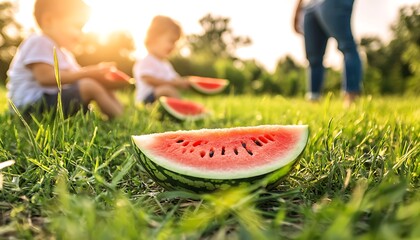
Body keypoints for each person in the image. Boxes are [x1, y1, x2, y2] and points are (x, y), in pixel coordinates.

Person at [7, 0, 129, 119]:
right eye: (78, 26)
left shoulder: (65, 54)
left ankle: (121, 114)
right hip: (28, 108)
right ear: (48, 20)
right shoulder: (39, 41)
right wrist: (90, 73)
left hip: (48, 101)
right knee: (89, 86)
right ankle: (119, 118)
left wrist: (100, 77)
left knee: (95, 84)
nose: (82, 33)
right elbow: (45, 78)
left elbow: (76, 77)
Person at [293, 0, 363, 107]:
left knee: (347, 46)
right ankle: (314, 98)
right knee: (313, 58)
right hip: (309, 4)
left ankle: (351, 97)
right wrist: (297, 9)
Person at [133, 15, 190, 104]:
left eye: (175, 42)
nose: (174, 46)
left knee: (170, 90)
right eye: (171, 41)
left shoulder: (166, 64)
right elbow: (148, 79)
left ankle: (180, 109)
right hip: (145, 100)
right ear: (154, 38)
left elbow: (175, 79)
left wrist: (186, 82)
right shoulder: (146, 61)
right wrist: (174, 84)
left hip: (161, 100)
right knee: (167, 90)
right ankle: (182, 110)